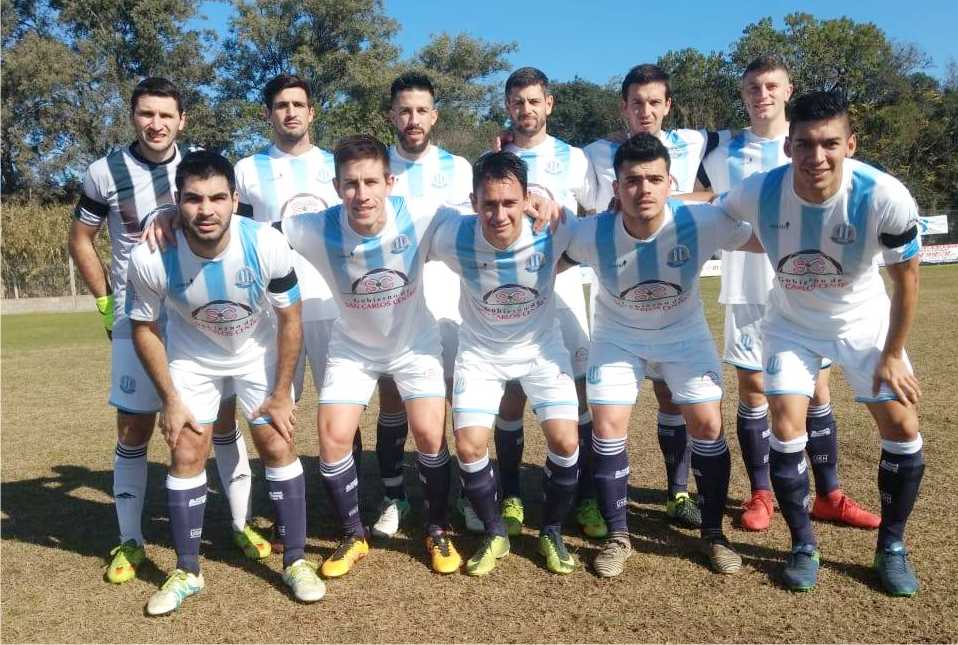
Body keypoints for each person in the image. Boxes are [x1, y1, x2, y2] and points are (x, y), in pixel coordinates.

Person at [718, 90, 924, 596]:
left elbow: (908, 279)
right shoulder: (761, 190)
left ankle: (892, 547)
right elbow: (716, 214)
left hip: (863, 321)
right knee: (786, 424)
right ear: (788, 147)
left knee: (902, 425)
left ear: (850, 144)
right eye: (805, 145)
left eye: (830, 143)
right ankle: (803, 544)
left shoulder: (883, 195)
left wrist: (893, 353)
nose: (817, 157)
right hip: (790, 323)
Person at [68, 77, 268, 585]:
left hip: (200, 321)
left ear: (182, 120)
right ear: (133, 116)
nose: (155, 124)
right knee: (134, 429)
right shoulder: (103, 172)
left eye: (165, 115)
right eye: (145, 114)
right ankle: (131, 540)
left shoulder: (200, 167)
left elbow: (230, 226)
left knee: (219, 425)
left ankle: (241, 525)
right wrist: (108, 303)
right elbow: (81, 240)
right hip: (141, 317)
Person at [127, 151, 324, 615]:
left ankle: (295, 560)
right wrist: (169, 399)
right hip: (194, 359)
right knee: (186, 449)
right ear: (177, 202)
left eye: (218, 197)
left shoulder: (266, 244)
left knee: (276, 443)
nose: (206, 209)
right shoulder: (152, 256)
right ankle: (187, 570)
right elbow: (144, 328)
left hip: (257, 354)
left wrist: (281, 393)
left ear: (235, 199)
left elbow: (291, 319)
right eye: (193, 199)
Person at [564, 133, 758, 577]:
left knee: (708, 425)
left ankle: (713, 534)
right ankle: (618, 535)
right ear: (616, 188)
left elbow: (764, 238)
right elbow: (544, 255)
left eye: (654, 178)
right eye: (632, 180)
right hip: (618, 337)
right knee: (608, 424)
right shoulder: (592, 232)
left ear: (671, 182)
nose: (643, 189)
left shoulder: (700, 221)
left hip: (683, 335)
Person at [700, 57, 879, 532]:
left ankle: (830, 493)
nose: (762, 94)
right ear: (742, 95)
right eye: (752, 87)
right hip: (746, 286)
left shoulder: (812, 145)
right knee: (754, 389)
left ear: (787, 90)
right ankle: (762, 493)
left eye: (771, 86)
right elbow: (706, 202)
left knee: (817, 390)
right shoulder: (721, 152)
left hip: (808, 290)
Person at [283, 135, 462, 577]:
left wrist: (539, 211)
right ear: (336, 185)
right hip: (353, 349)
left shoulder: (421, 216)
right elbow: (250, 234)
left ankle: (437, 529)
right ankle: (353, 534)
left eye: (370, 182)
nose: (360, 194)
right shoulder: (314, 227)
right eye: (349, 184)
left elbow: (482, 227)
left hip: (414, 344)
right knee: (332, 439)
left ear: (389, 181)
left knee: (430, 436)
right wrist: (174, 218)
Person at [429, 151, 582, 575]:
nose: (499, 214)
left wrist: (558, 210)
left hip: (541, 351)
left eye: (510, 203)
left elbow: (606, 234)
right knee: (469, 445)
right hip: (481, 354)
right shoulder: (452, 236)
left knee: (566, 442)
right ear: (474, 201)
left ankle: (551, 530)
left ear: (526, 198)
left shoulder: (553, 228)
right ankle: (495, 532)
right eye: (489, 204)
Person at [233, 74, 362, 550]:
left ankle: (350, 501)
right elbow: (239, 238)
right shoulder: (247, 169)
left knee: (342, 405)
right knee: (275, 404)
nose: (290, 112)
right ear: (268, 113)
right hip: (273, 310)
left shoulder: (336, 165)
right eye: (281, 105)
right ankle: (280, 495)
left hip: (332, 304)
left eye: (299, 104)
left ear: (312, 112)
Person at [583, 64, 709, 527]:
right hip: (621, 287)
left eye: (655, 102)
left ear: (668, 106)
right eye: (637, 103)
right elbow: (582, 207)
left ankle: (678, 491)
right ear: (624, 106)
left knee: (671, 397)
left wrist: (668, 204)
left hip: (673, 287)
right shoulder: (595, 153)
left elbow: (718, 191)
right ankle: (602, 499)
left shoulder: (693, 143)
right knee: (609, 408)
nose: (646, 111)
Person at [495, 66, 607, 541]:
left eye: (533, 101)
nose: (526, 110)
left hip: (563, 291)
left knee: (577, 389)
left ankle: (583, 496)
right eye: (517, 102)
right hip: (514, 298)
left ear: (549, 104)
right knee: (514, 392)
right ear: (508, 108)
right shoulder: (493, 158)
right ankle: (511, 492)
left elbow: (596, 216)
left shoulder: (576, 159)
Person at [370, 71, 474, 539]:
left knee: (447, 402)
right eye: (404, 110)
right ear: (391, 114)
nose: (412, 119)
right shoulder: (377, 168)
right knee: (392, 399)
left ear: (434, 115)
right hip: (394, 303)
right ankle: (395, 497)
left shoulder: (459, 168)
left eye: (421, 111)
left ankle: (461, 496)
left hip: (450, 302)